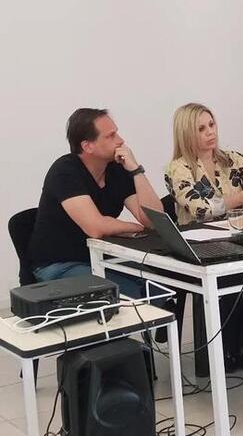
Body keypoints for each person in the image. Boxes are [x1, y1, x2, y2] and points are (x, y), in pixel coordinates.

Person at [164, 102, 243, 371]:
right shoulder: (178, 168)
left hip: (238, 238)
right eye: (201, 128)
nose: (210, 132)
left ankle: (241, 337)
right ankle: (232, 345)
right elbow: (200, 210)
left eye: (211, 125)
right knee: (234, 276)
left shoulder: (229, 159)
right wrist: (241, 198)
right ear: (187, 133)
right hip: (202, 245)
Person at [29, 108, 162, 297]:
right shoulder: (65, 171)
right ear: (87, 146)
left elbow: (153, 220)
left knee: (159, 288)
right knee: (132, 296)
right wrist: (134, 227)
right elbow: (95, 227)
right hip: (59, 264)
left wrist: (135, 170)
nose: (120, 140)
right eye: (111, 136)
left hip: (99, 257)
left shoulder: (116, 169)